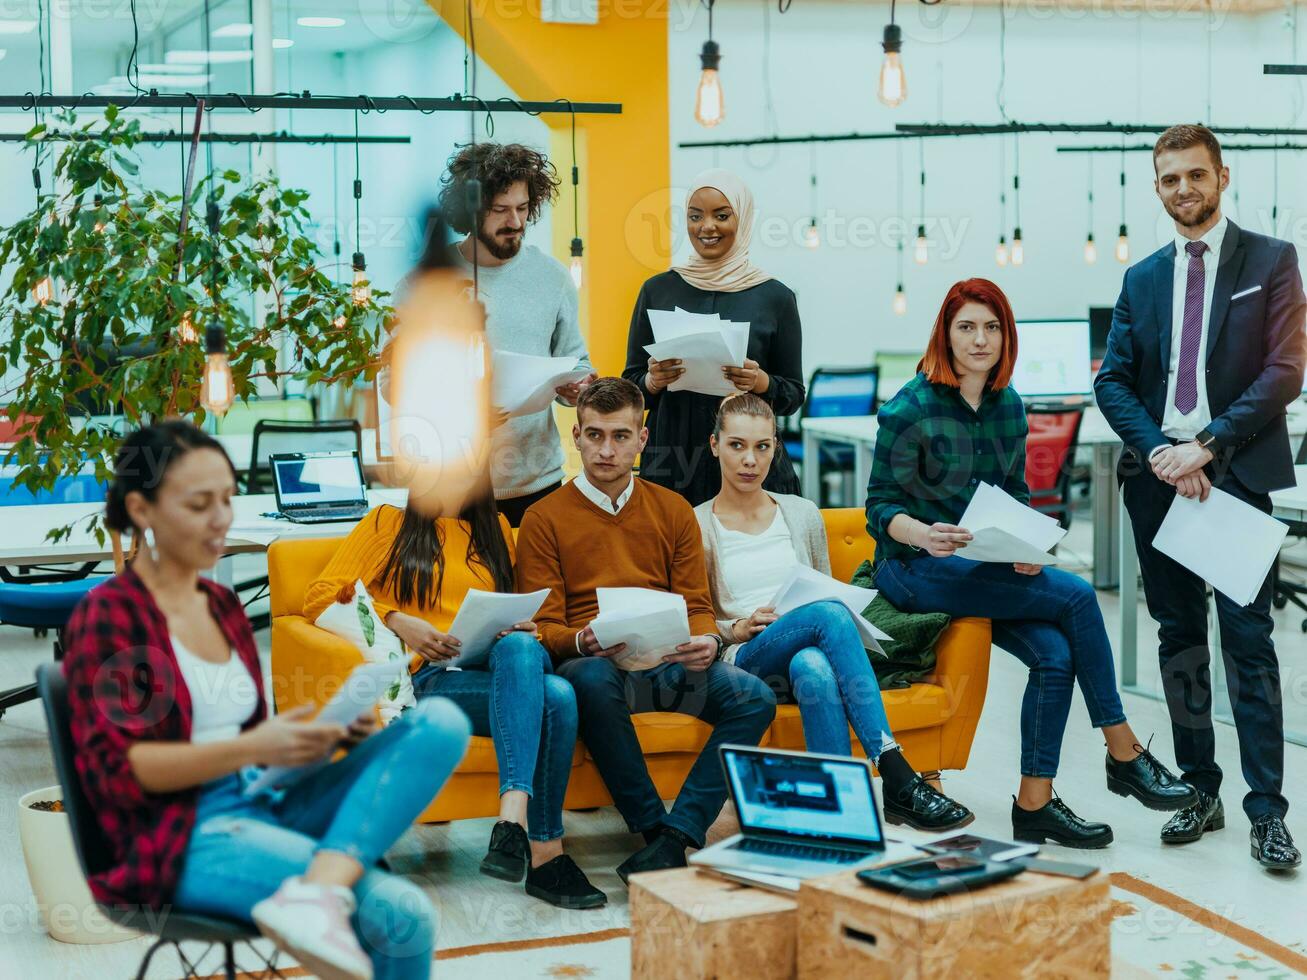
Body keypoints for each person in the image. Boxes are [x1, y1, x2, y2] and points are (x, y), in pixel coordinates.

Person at [63, 421, 470, 980]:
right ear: (141, 508)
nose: (221, 518)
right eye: (199, 503)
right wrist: (256, 744)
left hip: (257, 799)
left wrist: (311, 739)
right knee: (402, 916)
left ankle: (318, 893)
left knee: (440, 721)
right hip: (176, 834)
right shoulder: (112, 616)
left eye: (227, 499)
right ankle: (320, 896)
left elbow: (248, 746)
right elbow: (123, 775)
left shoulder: (221, 607)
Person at [867, 279, 1197, 850]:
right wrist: (922, 532)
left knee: (1055, 652)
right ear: (945, 333)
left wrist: (1028, 546)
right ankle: (1124, 750)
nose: (979, 339)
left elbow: (1015, 494)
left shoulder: (1008, 404)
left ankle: (1035, 803)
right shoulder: (911, 406)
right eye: (966, 326)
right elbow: (879, 507)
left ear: (1006, 336)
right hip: (914, 568)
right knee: (1076, 595)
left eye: (991, 327)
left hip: (983, 568)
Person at [1095, 125, 1305, 871]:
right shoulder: (1141, 278)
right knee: (1178, 642)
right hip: (1160, 486)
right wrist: (1163, 451)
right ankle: (1199, 789)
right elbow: (1111, 381)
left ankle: (1266, 812)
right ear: (1156, 188)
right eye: (1168, 179)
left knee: (1247, 648)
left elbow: (1284, 371)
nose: (1182, 188)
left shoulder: (1272, 262)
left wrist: (1206, 445)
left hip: (1237, 479)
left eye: (1194, 175)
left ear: (1221, 175)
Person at [515, 377, 777, 883]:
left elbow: (698, 606)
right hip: (598, 671)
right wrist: (578, 640)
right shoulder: (543, 518)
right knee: (589, 674)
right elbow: (543, 627)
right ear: (576, 437)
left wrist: (709, 639)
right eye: (594, 435)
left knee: (755, 697)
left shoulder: (673, 510)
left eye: (619, 436)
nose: (606, 449)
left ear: (642, 438)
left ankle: (679, 834)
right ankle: (653, 829)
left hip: (671, 663)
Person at [305, 488, 606, 909]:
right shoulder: (385, 522)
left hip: (498, 673)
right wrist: (397, 620)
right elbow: (319, 595)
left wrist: (525, 625)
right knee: (556, 696)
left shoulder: (497, 528)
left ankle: (511, 823)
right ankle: (545, 856)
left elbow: (525, 610)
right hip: (435, 679)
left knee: (528, 656)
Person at [695, 392, 973, 831]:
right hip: (747, 659)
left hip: (804, 652)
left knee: (815, 664)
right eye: (737, 445)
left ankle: (842, 818)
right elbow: (698, 621)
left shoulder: (802, 513)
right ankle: (895, 770)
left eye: (762, 447)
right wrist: (737, 627)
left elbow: (824, 590)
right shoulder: (695, 523)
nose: (750, 460)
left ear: (775, 449)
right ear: (715, 445)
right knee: (826, 614)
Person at [383, 143, 594, 526]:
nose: (514, 221)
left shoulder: (553, 278)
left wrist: (579, 387)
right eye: (500, 210)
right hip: (448, 488)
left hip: (537, 486)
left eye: (523, 207)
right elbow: (392, 384)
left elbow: (577, 361)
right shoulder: (423, 286)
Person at [622, 168, 805, 506]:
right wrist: (651, 380)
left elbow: (793, 395)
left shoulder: (775, 297)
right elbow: (631, 389)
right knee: (673, 553)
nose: (707, 226)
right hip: (673, 464)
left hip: (748, 464)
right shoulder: (657, 290)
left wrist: (761, 381)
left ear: (744, 218)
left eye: (721, 215)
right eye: (695, 216)